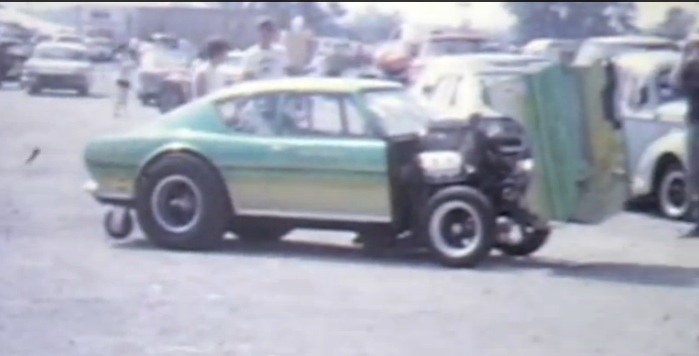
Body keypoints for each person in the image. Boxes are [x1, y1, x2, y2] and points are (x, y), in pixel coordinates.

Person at [671, 34, 699, 237]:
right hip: (695, 122)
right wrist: (685, 55)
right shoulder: (690, 67)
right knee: (695, 173)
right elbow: (676, 84)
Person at [113, 46, 136, 117]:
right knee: (119, 96)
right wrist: (130, 64)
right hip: (120, 78)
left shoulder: (127, 57)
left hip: (126, 79)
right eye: (124, 50)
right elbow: (123, 66)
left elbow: (132, 65)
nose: (125, 51)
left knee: (125, 97)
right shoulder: (119, 57)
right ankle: (116, 111)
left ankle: (123, 112)